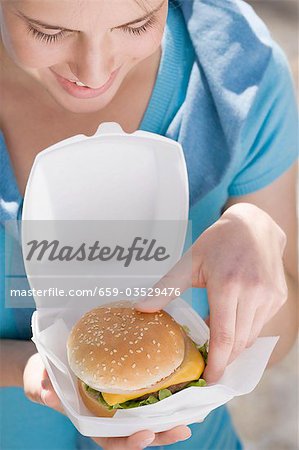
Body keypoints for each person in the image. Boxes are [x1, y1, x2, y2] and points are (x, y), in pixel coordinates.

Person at [0, 0, 298, 449]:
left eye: (137, 24)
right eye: (48, 32)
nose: (94, 71)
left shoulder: (239, 75)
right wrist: (35, 366)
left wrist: (255, 239)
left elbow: (276, 346)